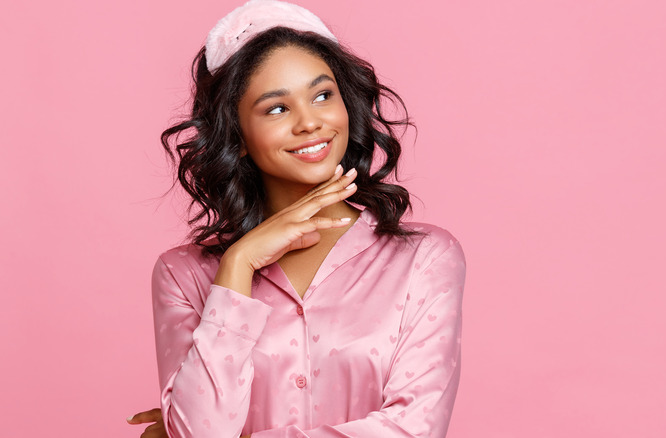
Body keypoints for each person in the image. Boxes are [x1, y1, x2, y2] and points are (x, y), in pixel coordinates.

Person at [127, 1, 466, 437]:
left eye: (323, 96)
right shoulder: (183, 275)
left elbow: (412, 429)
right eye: (276, 109)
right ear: (238, 136)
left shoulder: (424, 258)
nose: (310, 122)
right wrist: (239, 264)